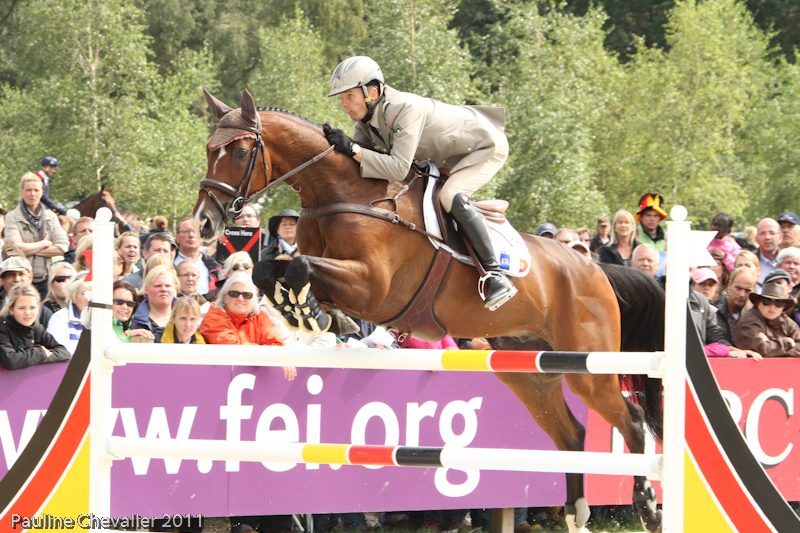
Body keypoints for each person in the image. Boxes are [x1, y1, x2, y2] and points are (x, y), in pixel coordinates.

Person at [324, 56, 516, 311]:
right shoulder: (367, 119)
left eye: (348, 96)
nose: (343, 104)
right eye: (342, 98)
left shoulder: (404, 108)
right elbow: (360, 160)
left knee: (450, 195)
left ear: (371, 92)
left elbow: (397, 167)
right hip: (444, 155)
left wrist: (352, 148)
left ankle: (495, 275)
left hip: (484, 148)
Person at [199, 273, 293, 372]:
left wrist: (270, 354)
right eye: (234, 294)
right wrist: (266, 353)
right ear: (224, 297)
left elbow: (277, 346)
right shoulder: (213, 318)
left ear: (254, 299)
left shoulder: (260, 317)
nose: (240, 298)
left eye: (247, 295)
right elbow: (233, 351)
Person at [5, 173, 70, 298]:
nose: (32, 194)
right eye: (28, 190)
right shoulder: (12, 216)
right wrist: (44, 244)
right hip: (21, 280)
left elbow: (62, 247)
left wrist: (28, 248)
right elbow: (15, 248)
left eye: (36, 190)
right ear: (21, 192)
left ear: (41, 193)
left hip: (46, 279)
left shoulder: (51, 216)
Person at [0, 283, 70, 370]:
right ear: (11, 309)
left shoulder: (37, 328)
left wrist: (34, 358)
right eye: (21, 308)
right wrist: (39, 353)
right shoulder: (3, 330)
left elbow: (64, 353)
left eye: (32, 308)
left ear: (38, 308)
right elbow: (10, 361)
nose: (28, 312)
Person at [732, 283, 800, 358]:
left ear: (783, 307)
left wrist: (770, 342)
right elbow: (761, 349)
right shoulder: (748, 320)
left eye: (778, 303)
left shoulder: (787, 321)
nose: (772, 306)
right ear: (758, 303)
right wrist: (787, 344)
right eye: (767, 301)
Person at [0, 256, 53, 327]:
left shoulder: (44, 313)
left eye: (21, 274)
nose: (17, 279)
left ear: (30, 277)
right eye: (11, 275)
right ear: (2, 279)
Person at [131, 265, 178, 343]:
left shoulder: (187, 316)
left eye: (168, 285)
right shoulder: (134, 319)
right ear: (147, 290)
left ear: (174, 289)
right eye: (158, 286)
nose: (163, 289)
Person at [174, 219, 222, 295]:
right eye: (186, 231)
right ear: (177, 237)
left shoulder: (216, 269)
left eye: (195, 231)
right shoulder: (167, 265)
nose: (191, 235)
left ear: (202, 238)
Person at [46, 274, 90, 355]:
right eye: (84, 293)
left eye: (93, 293)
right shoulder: (60, 318)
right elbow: (59, 352)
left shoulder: (104, 318)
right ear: (73, 297)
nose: (89, 298)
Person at [714, 266, 758, 343]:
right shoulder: (713, 310)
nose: (742, 294)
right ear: (730, 285)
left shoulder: (755, 314)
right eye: (738, 288)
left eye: (747, 290)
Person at [755, 218, 781, 284]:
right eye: (763, 233)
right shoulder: (750, 262)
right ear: (756, 239)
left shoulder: (788, 262)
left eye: (772, 233)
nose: (767, 237)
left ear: (780, 237)